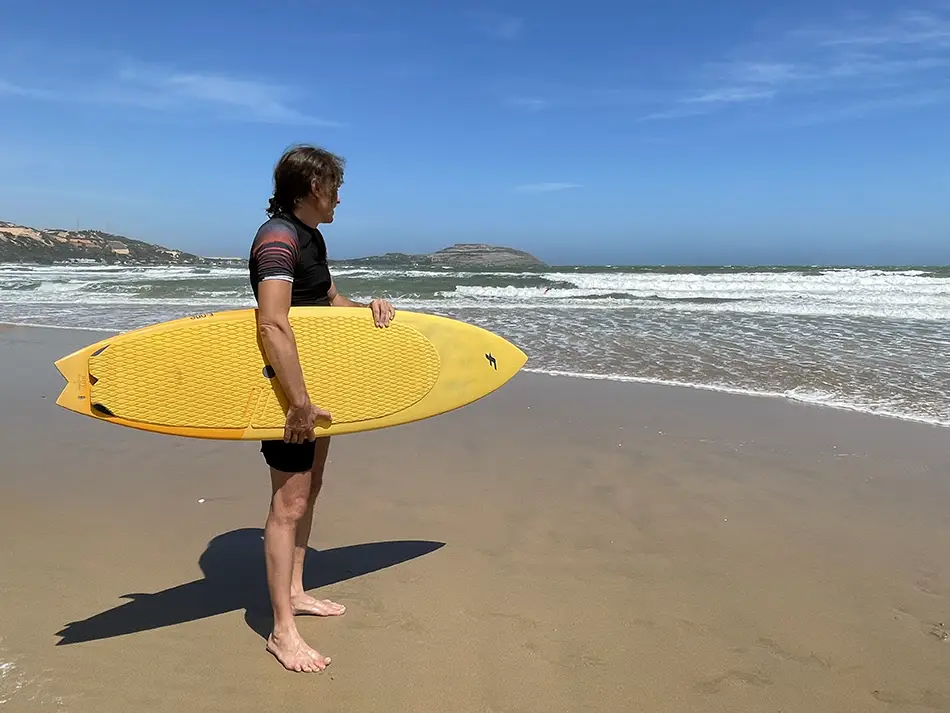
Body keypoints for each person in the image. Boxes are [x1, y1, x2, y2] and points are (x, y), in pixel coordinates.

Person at [248, 144, 396, 673]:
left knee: (311, 488)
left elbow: (328, 303)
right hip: (288, 393)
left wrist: (369, 310)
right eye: (335, 187)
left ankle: (297, 590)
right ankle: (282, 631)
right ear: (314, 187)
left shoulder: (310, 237)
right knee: (287, 504)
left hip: (317, 385)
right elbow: (271, 322)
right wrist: (298, 403)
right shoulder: (277, 238)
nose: (339, 197)